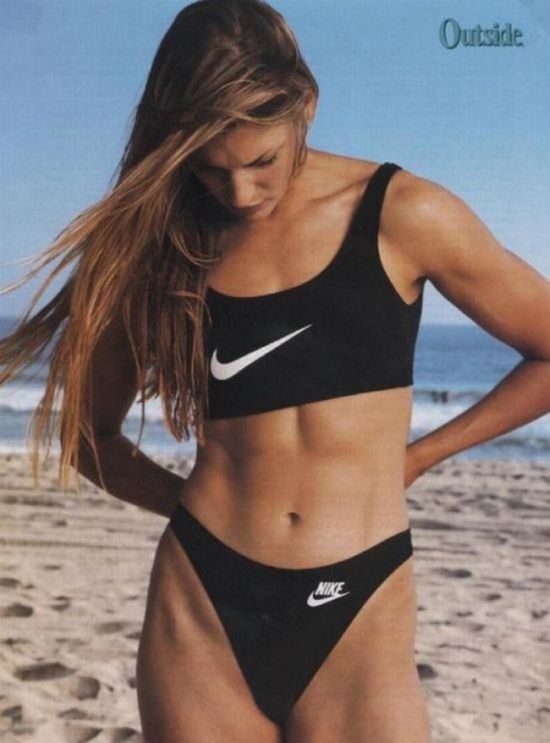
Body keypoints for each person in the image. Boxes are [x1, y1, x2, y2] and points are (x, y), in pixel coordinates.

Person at [1, 1, 549, 740]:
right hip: (205, 605)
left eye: (262, 161)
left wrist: (421, 455)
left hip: (361, 599)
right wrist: (189, 512)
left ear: (306, 105)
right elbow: (87, 433)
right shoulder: (161, 247)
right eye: (210, 170)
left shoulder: (404, 214)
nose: (240, 193)